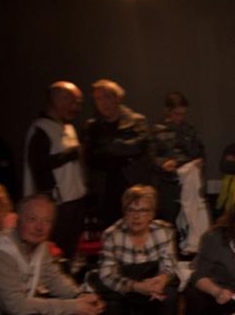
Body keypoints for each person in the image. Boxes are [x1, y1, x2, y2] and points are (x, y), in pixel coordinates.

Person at [95, 185, 179, 315]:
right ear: (124, 212)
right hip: (125, 286)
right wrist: (135, 287)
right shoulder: (111, 234)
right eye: (131, 210)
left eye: (143, 210)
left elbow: (170, 265)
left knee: (170, 294)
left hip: (153, 282)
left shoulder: (164, 231)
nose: (136, 216)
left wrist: (162, 279)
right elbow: (107, 274)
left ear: (152, 214)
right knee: (111, 302)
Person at [24, 81, 87, 258]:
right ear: (59, 100)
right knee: (54, 250)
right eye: (74, 102)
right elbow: (39, 165)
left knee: (69, 249)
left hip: (75, 200)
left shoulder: (67, 127)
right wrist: (70, 154)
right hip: (57, 203)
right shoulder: (41, 129)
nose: (76, 108)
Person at [83, 79, 151, 228]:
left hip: (132, 185)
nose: (103, 102)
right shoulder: (92, 126)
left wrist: (109, 147)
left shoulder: (136, 121)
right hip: (104, 190)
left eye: (106, 97)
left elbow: (138, 146)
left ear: (118, 98)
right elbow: (90, 158)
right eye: (98, 99)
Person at [148, 91, 205, 225]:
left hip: (187, 182)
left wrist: (199, 161)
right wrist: (163, 163)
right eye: (176, 114)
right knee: (167, 221)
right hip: (166, 184)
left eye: (183, 114)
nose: (180, 118)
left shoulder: (189, 129)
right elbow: (150, 155)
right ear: (168, 111)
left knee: (190, 221)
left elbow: (200, 152)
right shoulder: (156, 130)